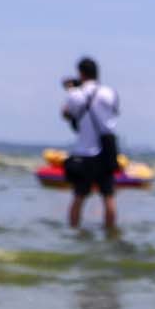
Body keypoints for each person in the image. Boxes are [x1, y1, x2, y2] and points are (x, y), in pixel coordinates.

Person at [60, 57, 121, 231]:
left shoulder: (76, 94)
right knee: (108, 197)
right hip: (106, 151)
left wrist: (72, 89)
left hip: (84, 152)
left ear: (81, 73)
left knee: (78, 197)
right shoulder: (110, 92)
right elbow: (114, 112)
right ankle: (111, 233)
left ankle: (74, 232)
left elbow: (66, 114)